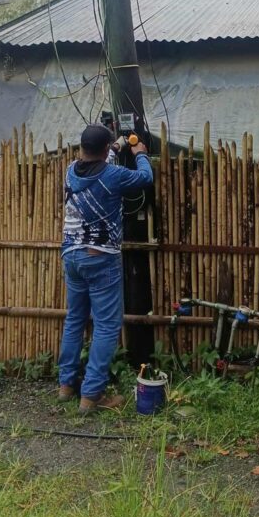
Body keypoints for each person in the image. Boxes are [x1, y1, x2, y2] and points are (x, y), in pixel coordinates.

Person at [58, 123, 153, 414]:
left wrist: (117, 145)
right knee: (107, 326)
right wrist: (140, 153)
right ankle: (92, 395)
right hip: (100, 258)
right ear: (103, 150)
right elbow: (145, 178)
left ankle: (66, 386)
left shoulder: (71, 171)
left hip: (72, 256)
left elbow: (100, 161)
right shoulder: (114, 175)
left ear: (82, 148)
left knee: (75, 320)